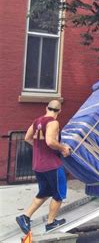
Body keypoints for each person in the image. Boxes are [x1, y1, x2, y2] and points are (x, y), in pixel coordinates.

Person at [16, 100, 71, 233]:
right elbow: (50, 141)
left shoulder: (36, 121)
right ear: (60, 111)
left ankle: (25, 217)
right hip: (52, 165)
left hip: (38, 165)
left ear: (46, 108)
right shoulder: (53, 122)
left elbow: (27, 138)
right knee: (59, 194)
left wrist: (39, 149)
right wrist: (63, 148)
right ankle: (51, 223)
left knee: (45, 192)